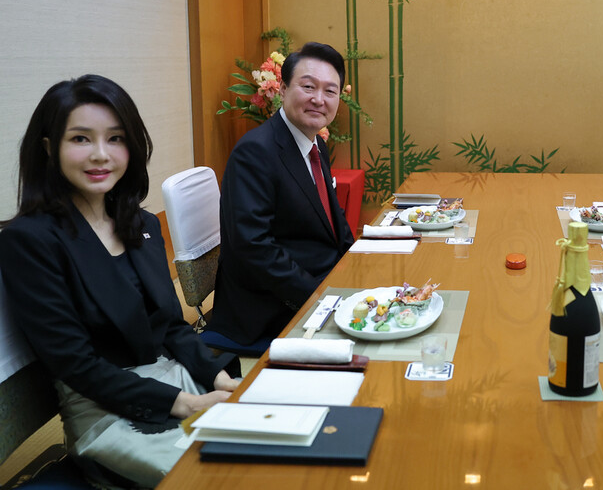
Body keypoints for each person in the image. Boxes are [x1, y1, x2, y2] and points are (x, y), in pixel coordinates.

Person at [0, 75, 239, 488]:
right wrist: (185, 404)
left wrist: (221, 379)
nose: (100, 155)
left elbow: (171, 326)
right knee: (222, 479)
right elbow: (75, 364)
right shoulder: (30, 240)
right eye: (80, 139)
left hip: (177, 378)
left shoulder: (142, 223)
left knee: (273, 447)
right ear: (48, 147)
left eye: (115, 139)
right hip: (106, 411)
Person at [209, 42, 355, 346]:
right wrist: (319, 298)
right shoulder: (255, 152)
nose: (319, 99)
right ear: (284, 89)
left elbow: (333, 222)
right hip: (271, 308)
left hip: (319, 285)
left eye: (330, 91)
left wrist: (356, 267)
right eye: (308, 86)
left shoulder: (316, 143)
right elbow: (255, 248)